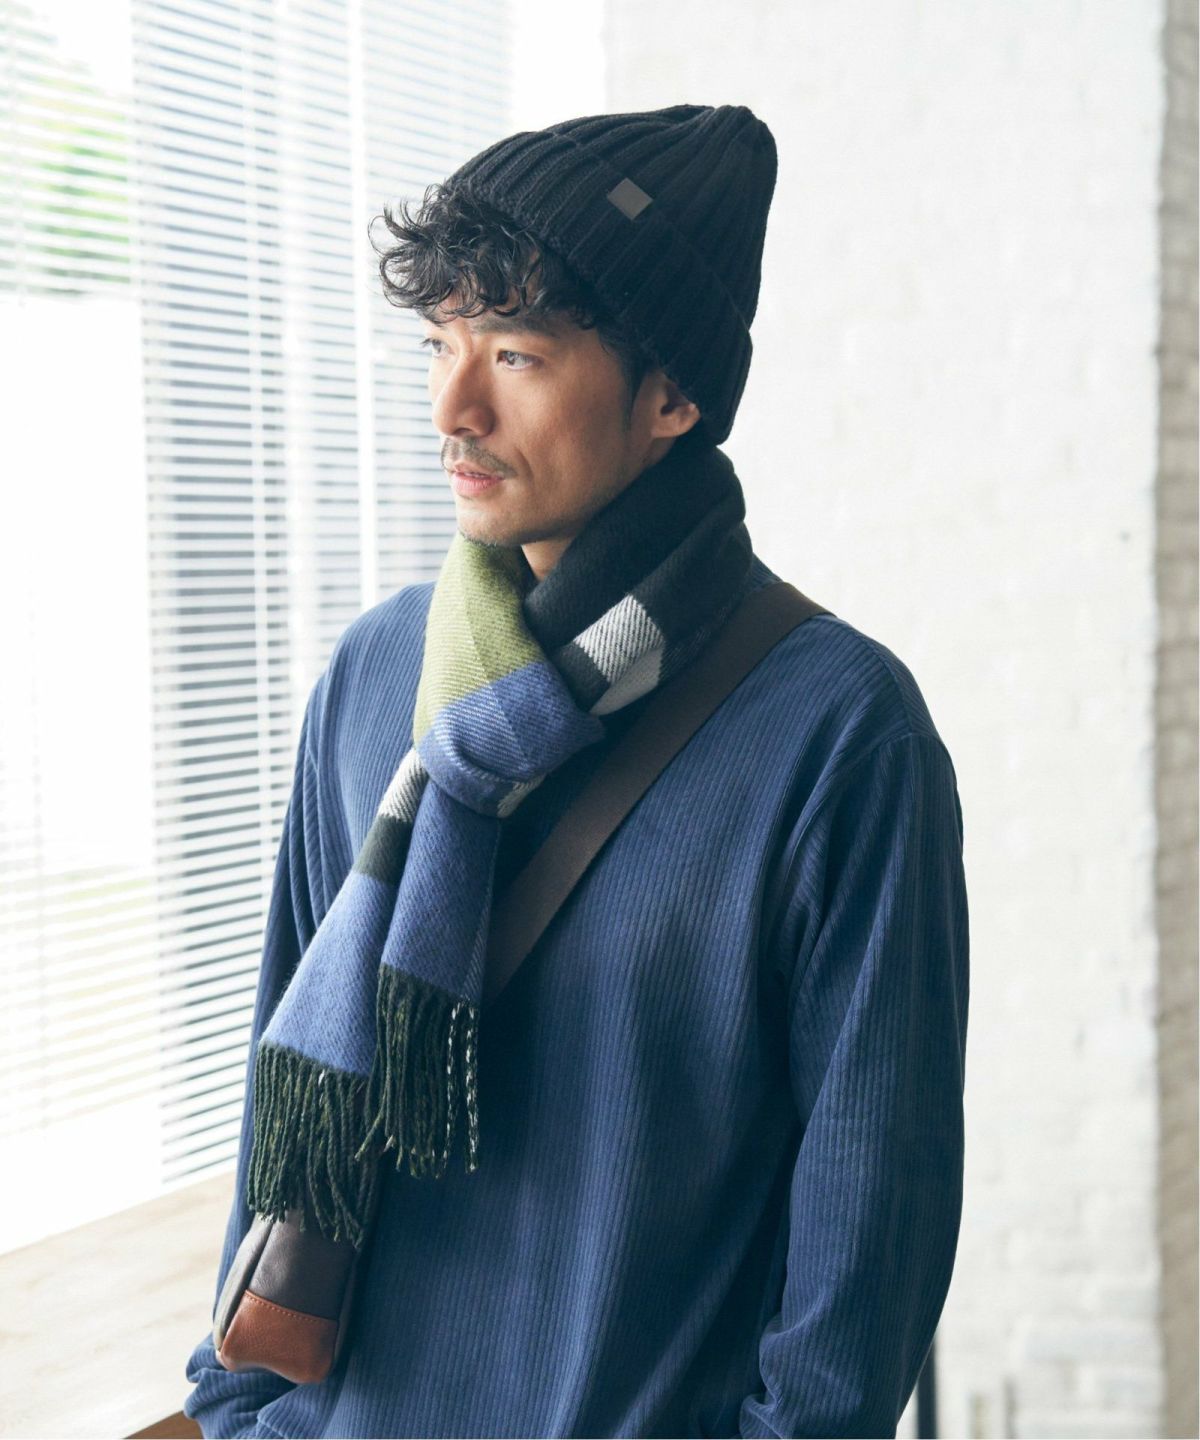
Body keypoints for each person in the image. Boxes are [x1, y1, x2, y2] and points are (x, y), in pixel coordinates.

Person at [183, 103, 969, 1440]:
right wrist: (243, 1409)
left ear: (672, 397)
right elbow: (284, 1105)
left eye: (516, 354)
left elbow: (867, 1241)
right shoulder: (380, 677)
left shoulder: (838, 733)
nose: (453, 406)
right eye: (440, 345)